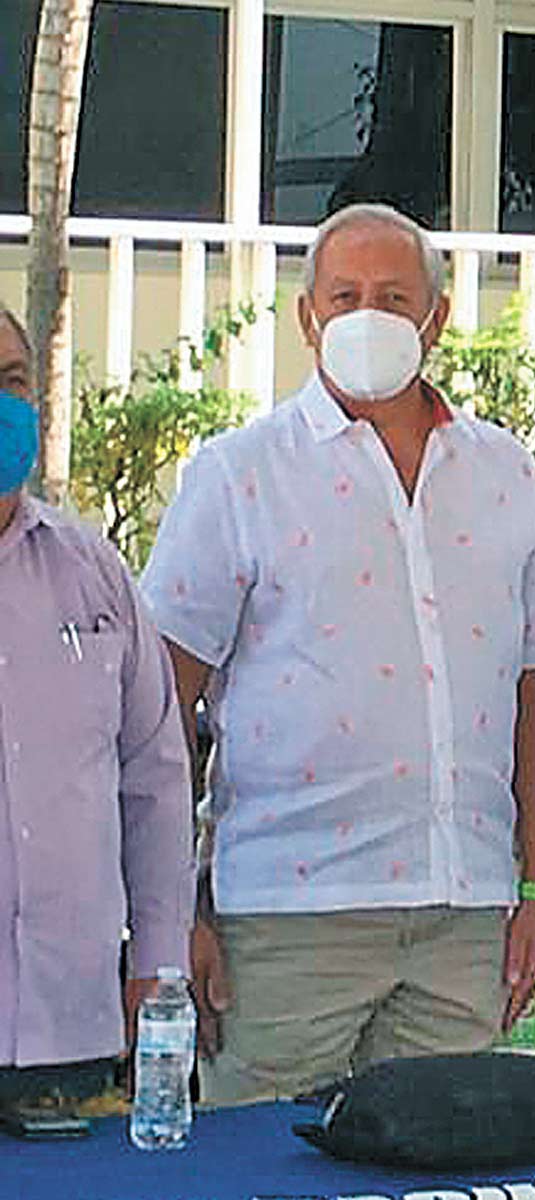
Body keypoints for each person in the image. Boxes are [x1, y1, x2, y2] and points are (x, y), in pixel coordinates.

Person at [141, 204, 535, 1103]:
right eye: (344, 297)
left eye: (393, 297)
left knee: (448, 1157)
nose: (367, 316)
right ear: (307, 318)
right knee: (263, 1162)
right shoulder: (238, 477)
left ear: (437, 317)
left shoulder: (508, 475)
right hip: (285, 920)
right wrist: (171, 913)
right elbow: (158, 712)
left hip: (465, 915)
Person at [0, 311, 194, 1113]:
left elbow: (156, 780)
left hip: (73, 1030)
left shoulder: (93, 571)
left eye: (11, 382)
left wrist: (159, 963)